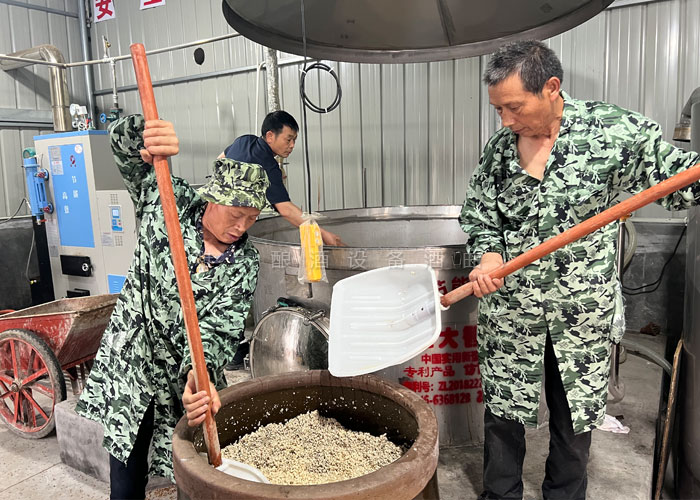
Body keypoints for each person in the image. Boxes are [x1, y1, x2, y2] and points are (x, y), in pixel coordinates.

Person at [460, 40, 700, 500]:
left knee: (574, 421)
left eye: (514, 107)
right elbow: (479, 213)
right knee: (504, 418)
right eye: (498, 110)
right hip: (512, 313)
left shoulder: (613, 132)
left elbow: (679, 182)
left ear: (551, 88)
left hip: (580, 314)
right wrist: (490, 255)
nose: (506, 120)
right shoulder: (500, 150)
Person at [75, 114, 269, 499]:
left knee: (191, 475)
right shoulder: (166, 199)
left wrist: (199, 376)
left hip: (179, 383)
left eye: (251, 217)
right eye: (235, 214)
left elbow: (219, 330)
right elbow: (122, 148)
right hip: (132, 364)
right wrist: (144, 130)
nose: (241, 227)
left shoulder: (245, 262)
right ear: (213, 197)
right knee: (126, 479)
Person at [220, 110, 346, 247]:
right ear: (270, 136)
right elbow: (286, 209)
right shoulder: (268, 167)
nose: (292, 145)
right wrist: (323, 234)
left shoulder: (244, 140)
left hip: (209, 217)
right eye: (288, 139)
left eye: (294, 140)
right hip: (226, 231)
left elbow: (220, 159)